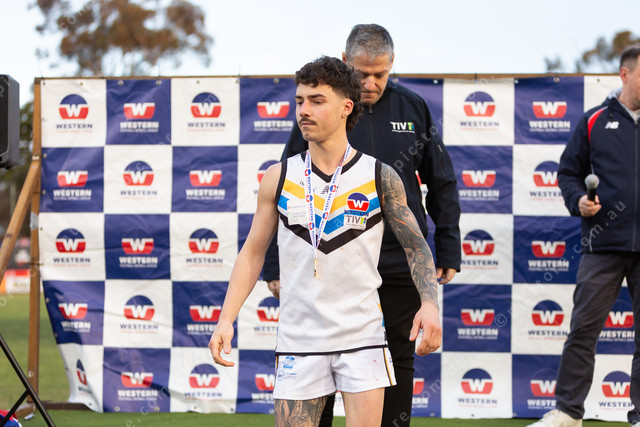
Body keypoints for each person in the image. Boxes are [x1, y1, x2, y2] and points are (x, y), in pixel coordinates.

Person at [209, 56, 441, 427]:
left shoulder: (380, 176)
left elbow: (415, 247)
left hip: (362, 337)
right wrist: (225, 320)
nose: (304, 110)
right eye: (300, 100)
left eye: (317, 101)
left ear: (347, 107)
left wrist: (429, 304)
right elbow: (252, 254)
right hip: (299, 340)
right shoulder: (278, 176)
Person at [262, 24, 461, 426]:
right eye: (362, 73)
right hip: (339, 259)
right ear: (345, 61)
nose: (370, 83)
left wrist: (448, 249)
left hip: (399, 259)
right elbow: (285, 189)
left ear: (393, 65)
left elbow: (441, 180)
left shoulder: (414, 108)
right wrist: (274, 264)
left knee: (398, 357)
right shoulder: (320, 111)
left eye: (380, 74)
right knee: (319, 357)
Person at [529, 44, 640, 427]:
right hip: (602, 245)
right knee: (583, 331)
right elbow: (567, 173)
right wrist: (578, 201)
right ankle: (568, 413)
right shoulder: (594, 121)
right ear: (625, 75)